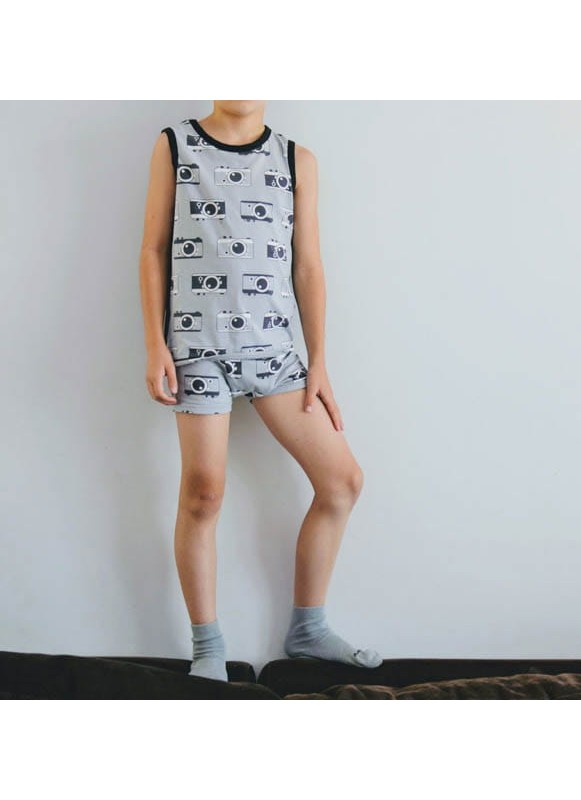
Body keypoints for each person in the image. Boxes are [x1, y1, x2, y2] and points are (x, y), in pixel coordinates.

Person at [138, 100, 381, 682]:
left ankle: (308, 630)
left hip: (275, 354)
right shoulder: (174, 145)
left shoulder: (297, 160)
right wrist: (154, 345)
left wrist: (318, 362)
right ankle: (208, 648)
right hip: (197, 350)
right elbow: (152, 250)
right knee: (203, 494)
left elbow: (308, 266)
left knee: (342, 482)